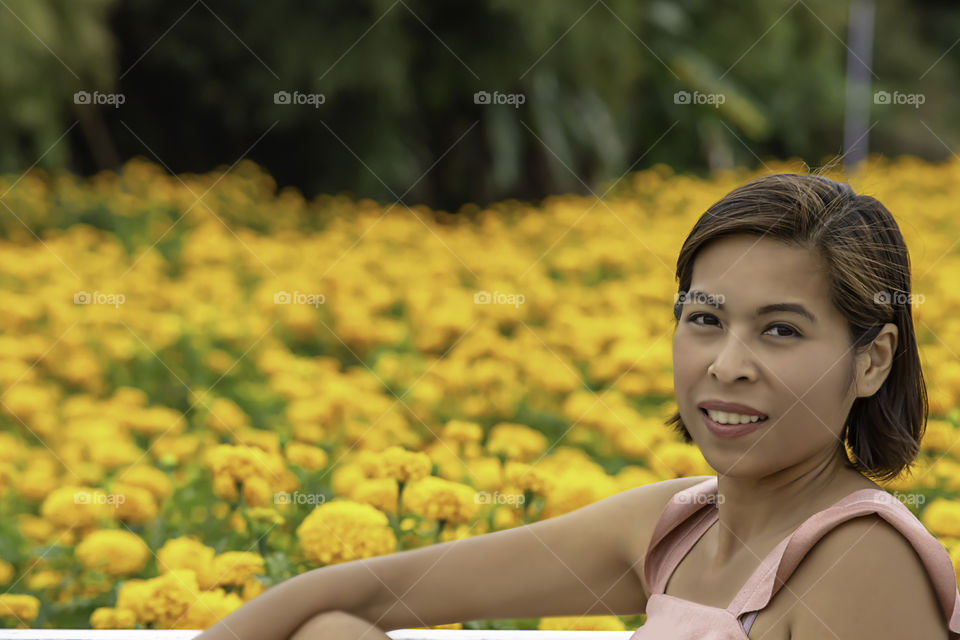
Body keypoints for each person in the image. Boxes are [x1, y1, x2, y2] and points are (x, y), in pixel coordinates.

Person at [194, 173, 960, 639]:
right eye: (705, 319)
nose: (728, 366)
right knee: (331, 633)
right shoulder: (675, 526)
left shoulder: (862, 561)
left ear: (872, 359)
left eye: (781, 330)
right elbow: (361, 589)